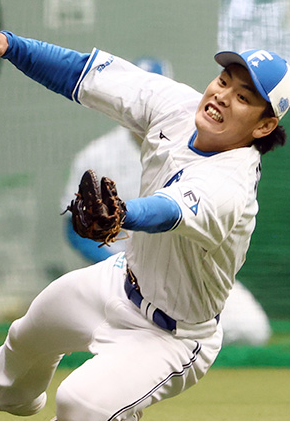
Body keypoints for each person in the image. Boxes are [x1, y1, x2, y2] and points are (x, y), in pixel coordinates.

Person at [0, 27, 290, 421]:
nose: (222, 95)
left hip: (171, 336)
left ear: (266, 125)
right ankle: (3, 391)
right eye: (224, 80)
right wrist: (12, 46)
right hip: (120, 281)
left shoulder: (232, 184)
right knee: (34, 325)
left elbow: (168, 211)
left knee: (79, 409)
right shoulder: (177, 106)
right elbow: (83, 73)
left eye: (244, 97)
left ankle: (107, 419)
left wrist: (123, 214)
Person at [60, 57, 272, 347]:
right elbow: (72, 228)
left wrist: (123, 213)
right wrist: (113, 261)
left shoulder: (198, 136)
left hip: (193, 274)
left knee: (252, 329)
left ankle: (187, 353)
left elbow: (171, 210)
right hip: (119, 266)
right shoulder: (97, 153)